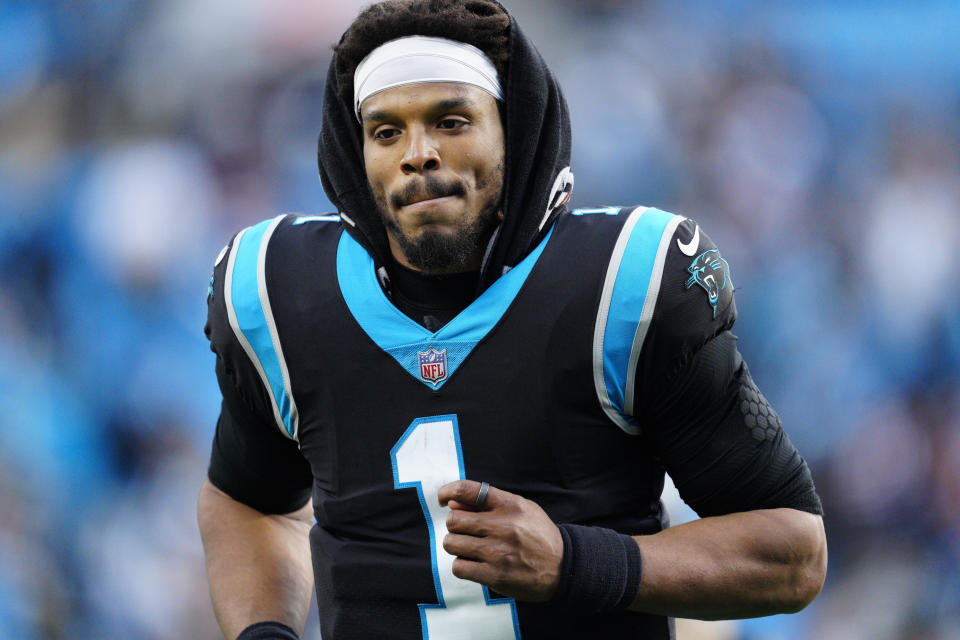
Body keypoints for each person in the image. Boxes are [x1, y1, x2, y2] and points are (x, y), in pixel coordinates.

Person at [197, 1, 827, 639]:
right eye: (386, 131)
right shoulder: (281, 290)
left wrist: (576, 562)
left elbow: (792, 551)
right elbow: (249, 502)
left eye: (450, 121)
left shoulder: (621, 283)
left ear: (515, 132)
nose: (418, 154)